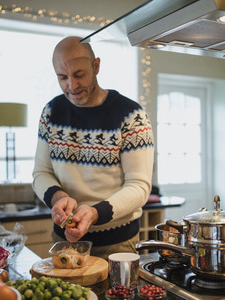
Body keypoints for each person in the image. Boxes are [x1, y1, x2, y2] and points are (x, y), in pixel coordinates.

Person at [32, 36, 154, 260]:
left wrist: (96, 213)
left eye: (79, 75)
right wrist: (57, 198)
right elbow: (41, 173)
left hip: (117, 244)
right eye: (62, 77)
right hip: (65, 241)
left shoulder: (131, 115)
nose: (72, 86)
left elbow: (139, 186)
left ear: (96, 66)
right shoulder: (51, 112)